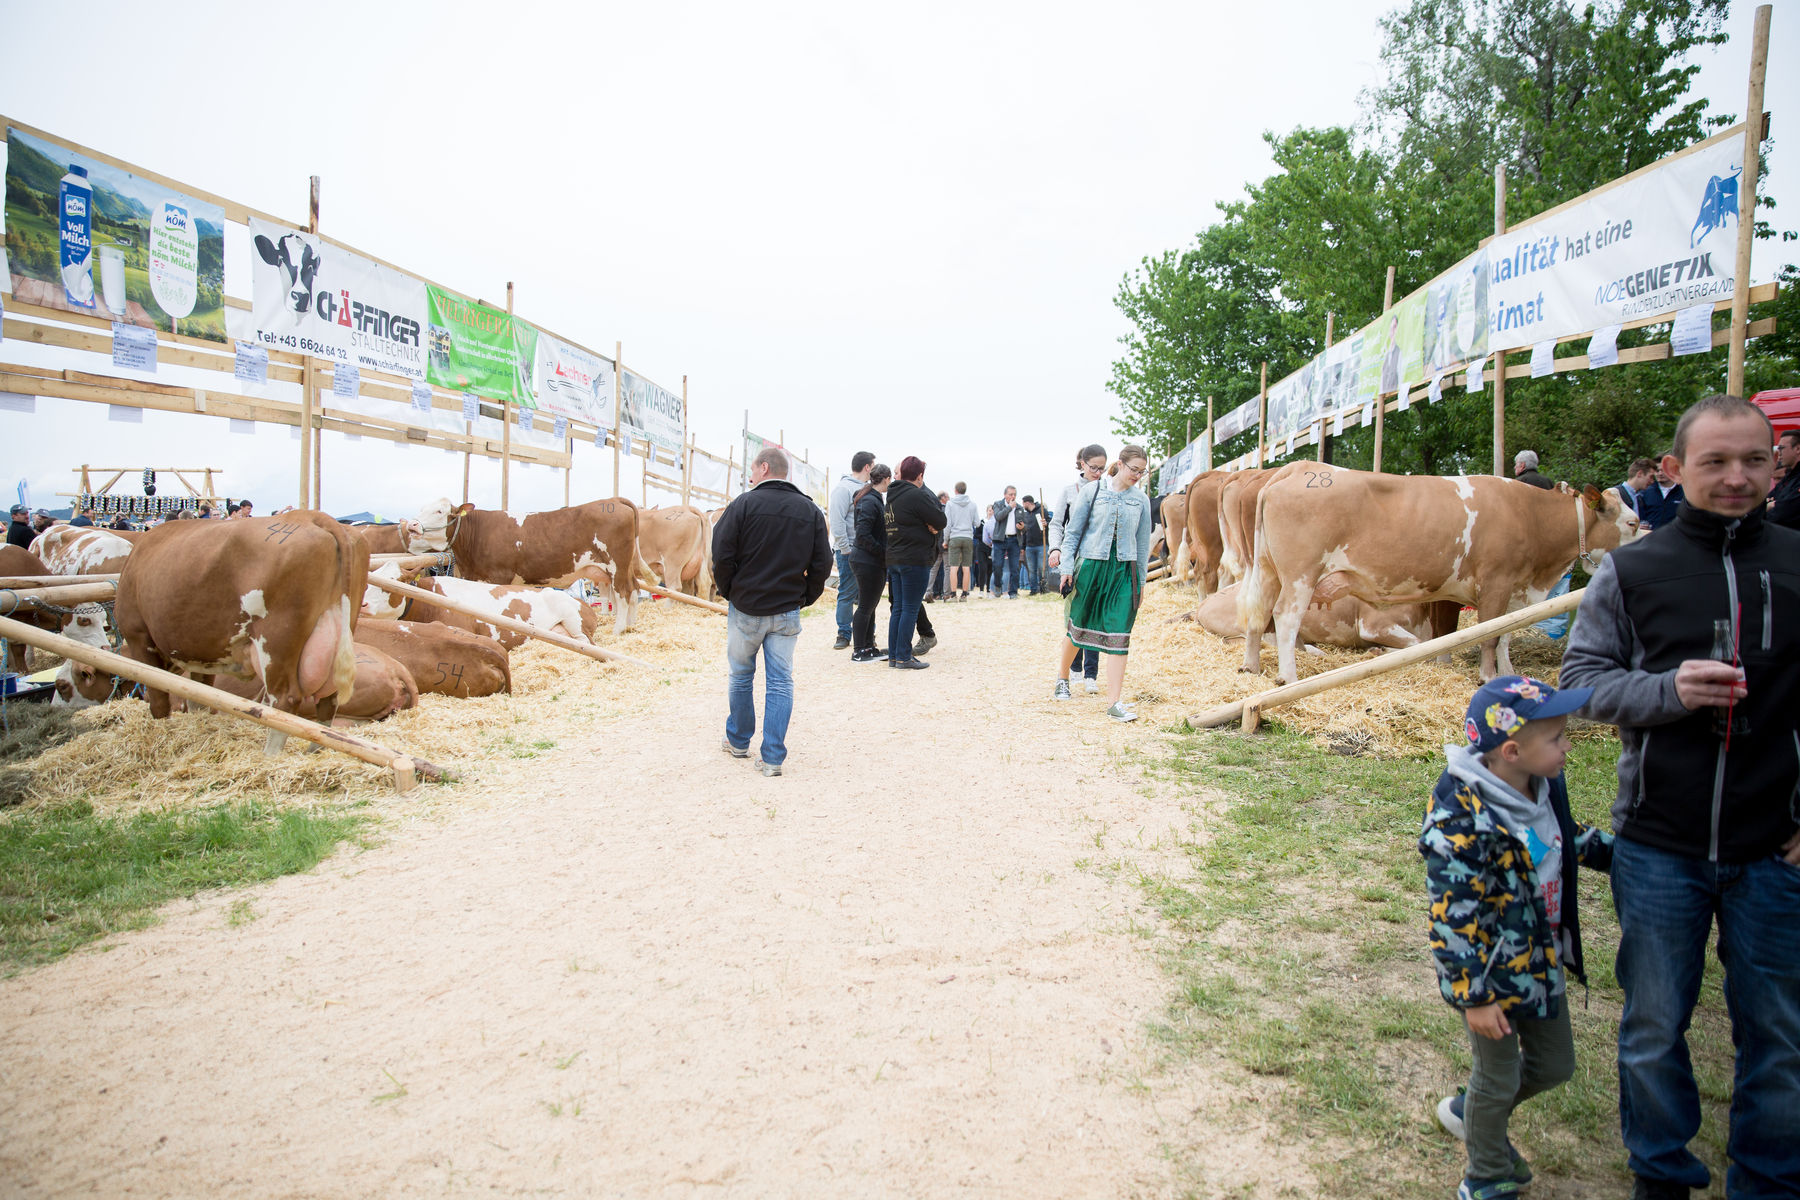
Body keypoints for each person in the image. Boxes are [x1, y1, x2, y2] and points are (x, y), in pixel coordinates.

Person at [1560, 394, 1800, 1200]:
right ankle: (1660, 1174)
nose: (1737, 477)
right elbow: (1582, 685)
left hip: (1777, 846)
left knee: (1780, 1033)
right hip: (1658, 843)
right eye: (1715, 462)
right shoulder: (1634, 568)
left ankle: (1767, 1181)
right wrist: (1668, 690)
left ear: (1777, 462)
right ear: (1675, 470)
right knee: (1654, 1027)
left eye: (1754, 460)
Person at [1422, 676, 1613, 1200]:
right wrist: (1473, 998)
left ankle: (1473, 1109)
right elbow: (1450, 920)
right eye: (1557, 738)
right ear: (1512, 750)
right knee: (1499, 1076)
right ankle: (1486, 1175)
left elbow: (1562, 838)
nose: (1568, 746)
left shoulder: (1543, 786)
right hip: (1487, 976)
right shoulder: (1460, 820)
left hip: (1538, 960)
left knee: (1555, 1066)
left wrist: (1615, 855)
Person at [711, 446, 832, 777]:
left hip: (746, 608)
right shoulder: (809, 511)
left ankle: (737, 741)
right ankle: (773, 757)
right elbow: (823, 562)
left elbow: (721, 554)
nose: (750, 475)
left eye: (752, 468)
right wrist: (806, 597)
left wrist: (729, 591)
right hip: (786, 609)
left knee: (740, 674)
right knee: (780, 682)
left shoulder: (742, 505)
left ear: (764, 468)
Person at [1053, 444, 1153, 720]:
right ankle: (1063, 678)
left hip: (1124, 572)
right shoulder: (1092, 492)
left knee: (1121, 633)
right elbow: (1072, 534)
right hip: (1091, 567)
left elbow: (1143, 545)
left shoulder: (1141, 500)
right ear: (1120, 464)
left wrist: (1141, 582)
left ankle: (1114, 702)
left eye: (1142, 472)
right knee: (1079, 627)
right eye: (1134, 470)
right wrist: (1067, 569)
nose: (1137, 476)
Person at [1050, 445, 1108, 694]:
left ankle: (1091, 673)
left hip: (1100, 559)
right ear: (1082, 464)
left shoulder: (1107, 490)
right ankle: (1073, 669)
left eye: (1102, 468)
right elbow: (1057, 523)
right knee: (1075, 616)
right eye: (1093, 467)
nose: (1097, 472)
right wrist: (1055, 549)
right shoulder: (1068, 491)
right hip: (1074, 560)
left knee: (1095, 615)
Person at [883, 457, 942, 671]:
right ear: (919, 476)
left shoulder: (891, 496)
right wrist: (930, 526)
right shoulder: (916, 495)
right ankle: (904, 657)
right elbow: (940, 520)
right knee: (910, 608)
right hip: (914, 559)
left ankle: (894, 656)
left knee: (898, 608)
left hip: (894, 558)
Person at [828, 451, 875, 650]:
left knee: (868, 595)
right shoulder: (843, 489)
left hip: (866, 551)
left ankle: (866, 634)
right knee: (847, 592)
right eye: (873, 466)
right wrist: (846, 549)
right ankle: (844, 633)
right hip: (849, 550)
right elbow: (837, 522)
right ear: (867, 467)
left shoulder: (869, 489)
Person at [847, 464, 892, 662]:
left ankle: (868, 646)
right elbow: (863, 534)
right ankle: (859, 650)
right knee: (865, 606)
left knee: (870, 605)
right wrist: (882, 553)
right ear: (887, 479)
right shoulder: (870, 501)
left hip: (869, 559)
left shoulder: (872, 498)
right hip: (867, 560)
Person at [944, 482, 979, 601]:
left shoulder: (950, 504)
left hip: (954, 536)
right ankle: (964, 594)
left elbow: (947, 524)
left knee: (953, 566)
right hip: (968, 537)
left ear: (955, 490)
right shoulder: (973, 505)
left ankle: (953, 595)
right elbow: (977, 523)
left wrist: (945, 540)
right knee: (966, 567)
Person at [991, 486, 1023, 598]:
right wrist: (1009, 507)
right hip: (1000, 539)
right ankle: (998, 586)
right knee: (998, 565)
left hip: (1014, 540)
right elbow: (998, 517)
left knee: (1015, 568)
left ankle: (1013, 592)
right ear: (1005, 495)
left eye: (1014, 494)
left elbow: (1025, 524)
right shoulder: (997, 504)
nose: (1013, 496)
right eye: (1010, 494)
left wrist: (1022, 527)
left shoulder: (1019, 508)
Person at [1636, 457, 1683, 531]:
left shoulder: (1684, 493)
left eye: (1663, 470)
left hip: (1675, 538)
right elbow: (1638, 516)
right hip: (1651, 538)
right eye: (1657, 471)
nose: (1660, 473)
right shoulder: (1645, 492)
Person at [1767, 428, 1800, 529]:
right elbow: (1766, 500)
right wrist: (1768, 505)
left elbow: (1781, 514)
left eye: (1781, 448)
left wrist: (1770, 506)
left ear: (1798, 449)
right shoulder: (1789, 477)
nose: (1779, 453)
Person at [925, 490, 950, 601]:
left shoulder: (934, 509)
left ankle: (928, 591)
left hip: (936, 541)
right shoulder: (947, 510)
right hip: (945, 542)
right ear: (943, 498)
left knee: (933, 569)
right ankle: (946, 593)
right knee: (947, 568)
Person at [1018, 495, 1045, 595]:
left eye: (1023, 503)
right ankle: (1033, 589)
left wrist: (1046, 523)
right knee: (1031, 569)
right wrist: (1023, 547)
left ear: (1027, 503)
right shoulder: (1025, 516)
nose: (1023, 505)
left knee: (1042, 568)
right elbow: (1024, 532)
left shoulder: (1042, 511)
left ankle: (1043, 588)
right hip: (1029, 546)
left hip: (1041, 544)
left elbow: (1049, 524)